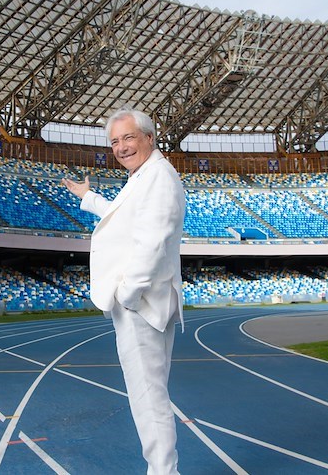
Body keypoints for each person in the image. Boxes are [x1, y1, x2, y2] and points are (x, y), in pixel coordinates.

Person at [62, 107, 185, 474]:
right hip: (144, 302)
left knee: (148, 399)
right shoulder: (144, 176)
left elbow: (153, 242)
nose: (121, 147)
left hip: (142, 304)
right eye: (114, 141)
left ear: (149, 137)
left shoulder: (159, 177)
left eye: (128, 137)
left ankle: (164, 471)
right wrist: (88, 196)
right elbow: (122, 216)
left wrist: (128, 295)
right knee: (150, 395)